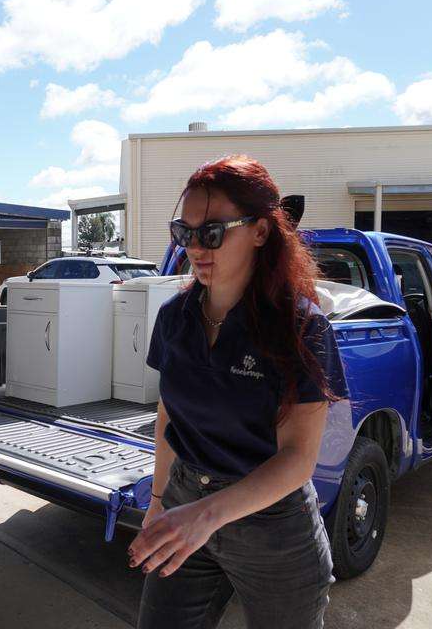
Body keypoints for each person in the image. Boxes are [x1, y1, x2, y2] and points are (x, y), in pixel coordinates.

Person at [128, 155, 348, 629]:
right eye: (183, 233)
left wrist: (205, 517)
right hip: (186, 496)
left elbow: (298, 459)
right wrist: (160, 502)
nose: (196, 248)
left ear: (261, 232)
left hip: (273, 525)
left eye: (211, 233)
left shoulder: (301, 329)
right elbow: (170, 418)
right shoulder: (173, 318)